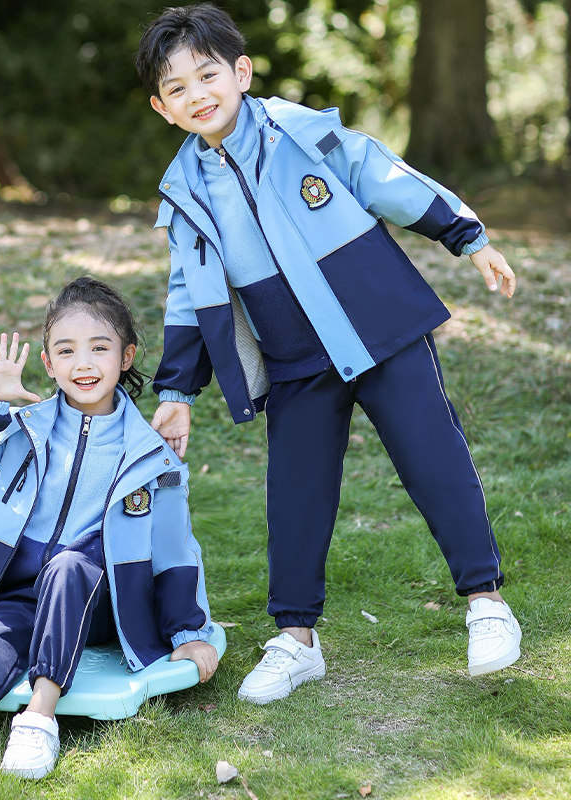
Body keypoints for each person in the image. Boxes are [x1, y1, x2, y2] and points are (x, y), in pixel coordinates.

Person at [135, 3, 521, 705]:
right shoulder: (184, 193)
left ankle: (487, 604)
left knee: (434, 461)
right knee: (295, 498)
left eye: (208, 75)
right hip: (294, 360)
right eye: (178, 88)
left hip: (381, 327)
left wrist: (467, 236)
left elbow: (386, 177)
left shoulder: (300, 132)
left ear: (241, 72)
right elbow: (189, 295)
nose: (198, 95)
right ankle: (297, 640)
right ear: (162, 109)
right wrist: (176, 392)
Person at [0, 277, 218, 789]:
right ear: (47, 363)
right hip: (23, 592)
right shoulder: (23, 430)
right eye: (66, 351)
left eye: (99, 348)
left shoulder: (152, 456)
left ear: (126, 356)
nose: (83, 363)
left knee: (69, 566)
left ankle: (38, 719)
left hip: (103, 600)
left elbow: (173, 551)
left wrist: (189, 633)